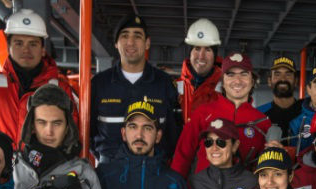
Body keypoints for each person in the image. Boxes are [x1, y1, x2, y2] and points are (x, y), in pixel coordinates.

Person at [0, 9, 77, 146]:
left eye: (33, 44)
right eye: (19, 43)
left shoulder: (61, 89)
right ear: (9, 46)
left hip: (43, 167)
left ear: (43, 49)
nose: (26, 50)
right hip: (0, 166)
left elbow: (72, 136)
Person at [91, 14, 180, 163]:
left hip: (153, 171)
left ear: (147, 43)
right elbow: (89, 132)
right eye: (124, 36)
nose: (131, 42)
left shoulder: (164, 83)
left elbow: (173, 134)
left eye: (137, 36)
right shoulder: (99, 84)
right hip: (110, 173)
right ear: (116, 43)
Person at [171, 52, 272, 179]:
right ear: (223, 81)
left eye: (244, 74)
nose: (237, 80)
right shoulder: (203, 113)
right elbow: (182, 156)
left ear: (252, 81)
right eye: (230, 74)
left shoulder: (263, 122)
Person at [177, 18, 223, 123]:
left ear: (214, 56)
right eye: (197, 49)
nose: (201, 56)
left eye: (207, 50)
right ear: (190, 53)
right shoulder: (176, 87)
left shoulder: (225, 90)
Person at [257, 57, 303, 133]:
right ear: (269, 81)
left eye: (288, 74)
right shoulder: (258, 114)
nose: (283, 79)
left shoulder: (307, 113)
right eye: (277, 74)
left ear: (296, 81)